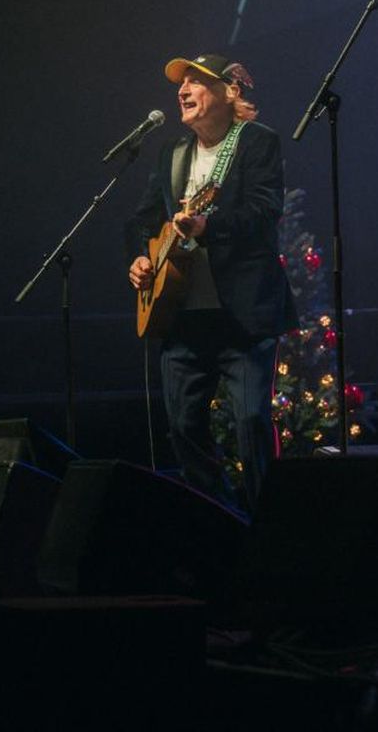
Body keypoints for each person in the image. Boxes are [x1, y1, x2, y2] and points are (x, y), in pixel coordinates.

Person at [126, 53, 298, 515]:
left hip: (242, 316)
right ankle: (221, 515)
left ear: (229, 92)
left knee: (251, 421)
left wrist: (207, 226)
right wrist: (141, 258)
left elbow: (265, 211)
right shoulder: (173, 153)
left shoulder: (257, 142)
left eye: (196, 81)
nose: (182, 90)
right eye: (180, 83)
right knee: (183, 425)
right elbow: (143, 220)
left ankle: (267, 523)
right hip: (183, 315)